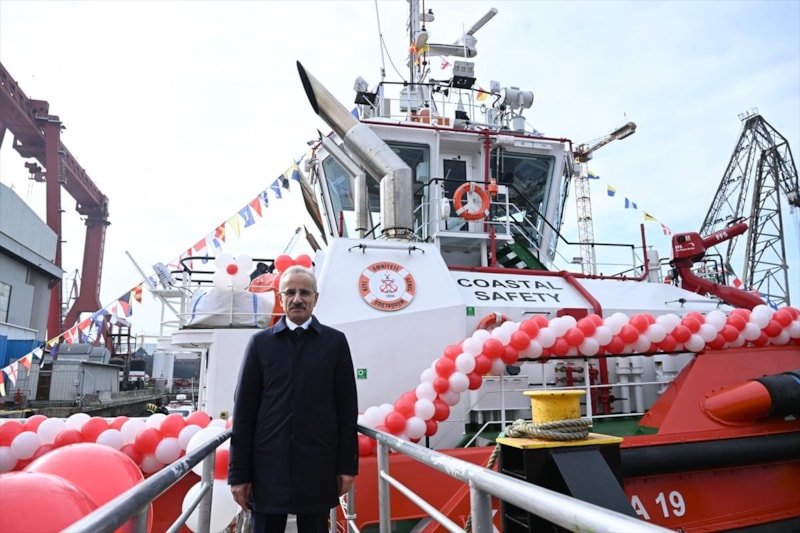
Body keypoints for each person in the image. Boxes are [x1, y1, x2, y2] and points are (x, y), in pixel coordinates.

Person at [228, 265, 359, 533]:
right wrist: (239, 474)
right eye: (290, 292)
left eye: (304, 293)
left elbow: (347, 409)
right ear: (280, 297)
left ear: (315, 298)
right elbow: (244, 413)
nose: (297, 299)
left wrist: (347, 466)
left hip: (318, 466)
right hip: (267, 468)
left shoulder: (334, 343)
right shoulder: (260, 344)